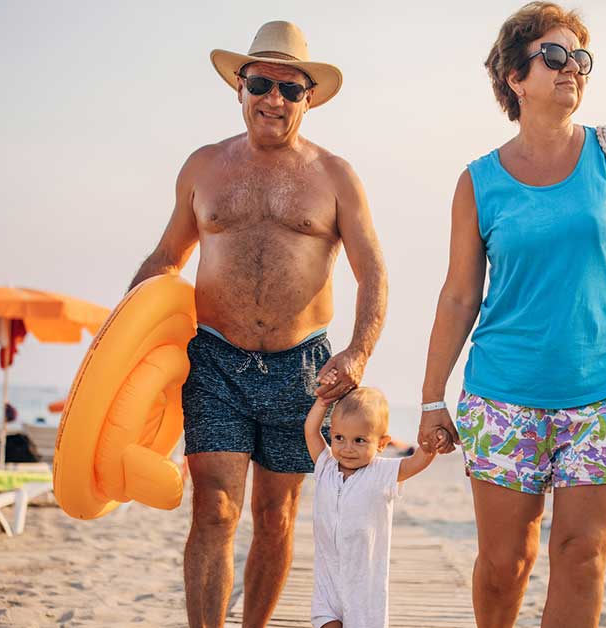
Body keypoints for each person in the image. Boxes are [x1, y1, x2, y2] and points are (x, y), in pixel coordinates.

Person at [417, 3, 606, 625]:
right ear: (514, 78)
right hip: (502, 393)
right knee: (505, 562)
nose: (571, 68)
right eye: (553, 56)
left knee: (582, 556)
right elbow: (460, 296)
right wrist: (430, 398)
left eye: (580, 57)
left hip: (605, 390)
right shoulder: (477, 182)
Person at [126, 21, 387, 628]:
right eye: (262, 83)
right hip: (214, 359)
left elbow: (373, 272)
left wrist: (358, 352)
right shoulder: (203, 167)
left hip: (302, 368)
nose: (274, 99)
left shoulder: (336, 176)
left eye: (290, 90)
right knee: (213, 510)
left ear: (309, 98)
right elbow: (168, 256)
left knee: (277, 516)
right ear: (239, 87)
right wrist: (126, 327)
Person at [303, 386, 438, 628]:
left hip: (364, 587)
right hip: (328, 582)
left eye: (359, 440)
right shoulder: (325, 466)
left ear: (382, 443)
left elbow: (414, 463)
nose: (347, 448)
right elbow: (310, 430)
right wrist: (323, 401)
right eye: (339, 438)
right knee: (325, 621)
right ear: (331, 434)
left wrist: (429, 448)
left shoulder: (382, 472)